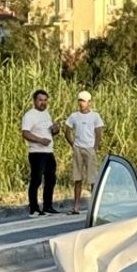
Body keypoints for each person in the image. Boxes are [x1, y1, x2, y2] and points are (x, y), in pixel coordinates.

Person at [63, 90, 105, 215]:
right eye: (80, 100)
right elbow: (67, 130)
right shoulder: (74, 116)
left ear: (89, 102)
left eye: (84, 101)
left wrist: (95, 147)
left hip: (90, 148)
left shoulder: (95, 116)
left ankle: (94, 205)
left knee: (92, 178)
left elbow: (98, 132)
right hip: (78, 148)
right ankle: (76, 206)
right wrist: (73, 144)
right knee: (78, 178)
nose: (81, 103)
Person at [20, 89, 60, 217]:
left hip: (49, 151)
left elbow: (50, 132)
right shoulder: (30, 115)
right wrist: (39, 140)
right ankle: (34, 208)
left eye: (45, 100)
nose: (43, 103)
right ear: (35, 101)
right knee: (36, 180)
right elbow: (25, 133)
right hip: (37, 152)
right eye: (40, 100)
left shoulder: (46, 114)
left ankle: (48, 206)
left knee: (51, 179)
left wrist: (55, 129)